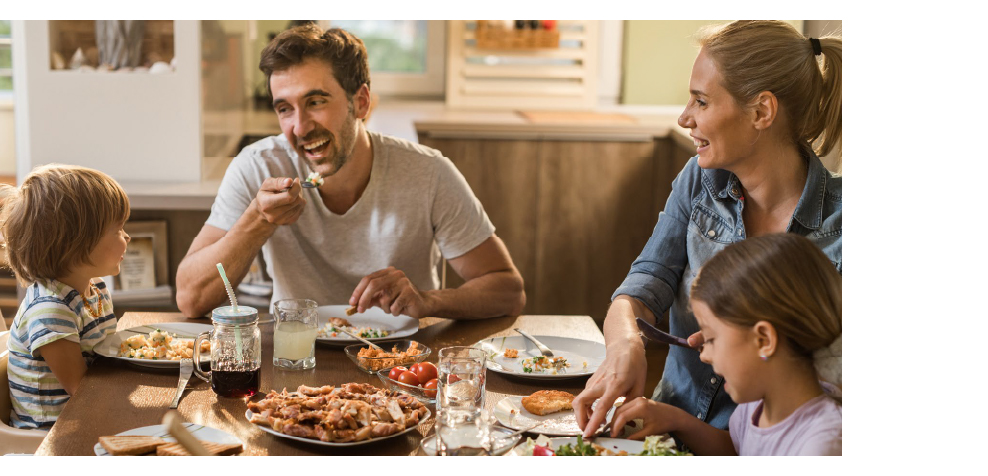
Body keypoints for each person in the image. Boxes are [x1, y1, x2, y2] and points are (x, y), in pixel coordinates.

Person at [574, 20, 842, 436]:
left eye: (701, 101)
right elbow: (648, 278)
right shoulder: (700, 180)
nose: (684, 118)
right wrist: (625, 343)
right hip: (660, 426)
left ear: (761, 111)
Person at [176, 24, 525, 319]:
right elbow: (190, 298)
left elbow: (508, 290)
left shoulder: (429, 173)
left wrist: (428, 300)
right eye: (285, 109)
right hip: (297, 357)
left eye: (315, 102)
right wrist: (256, 222)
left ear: (361, 102)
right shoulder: (257, 167)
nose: (299, 127)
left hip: (403, 362)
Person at [606, 234, 842, 455]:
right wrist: (675, 419)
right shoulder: (756, 407)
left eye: (710, 339)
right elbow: (735, 450)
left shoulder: (823, 445)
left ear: (764, 340)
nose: (704, 354)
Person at [0, 164, 131, 429]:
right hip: (54, 435)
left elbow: (106, 361)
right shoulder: (51, 310)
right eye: (117, 230)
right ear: (76, 242)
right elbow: (82, 392)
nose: (126, 236)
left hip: (88, 417)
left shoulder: (96, 290)